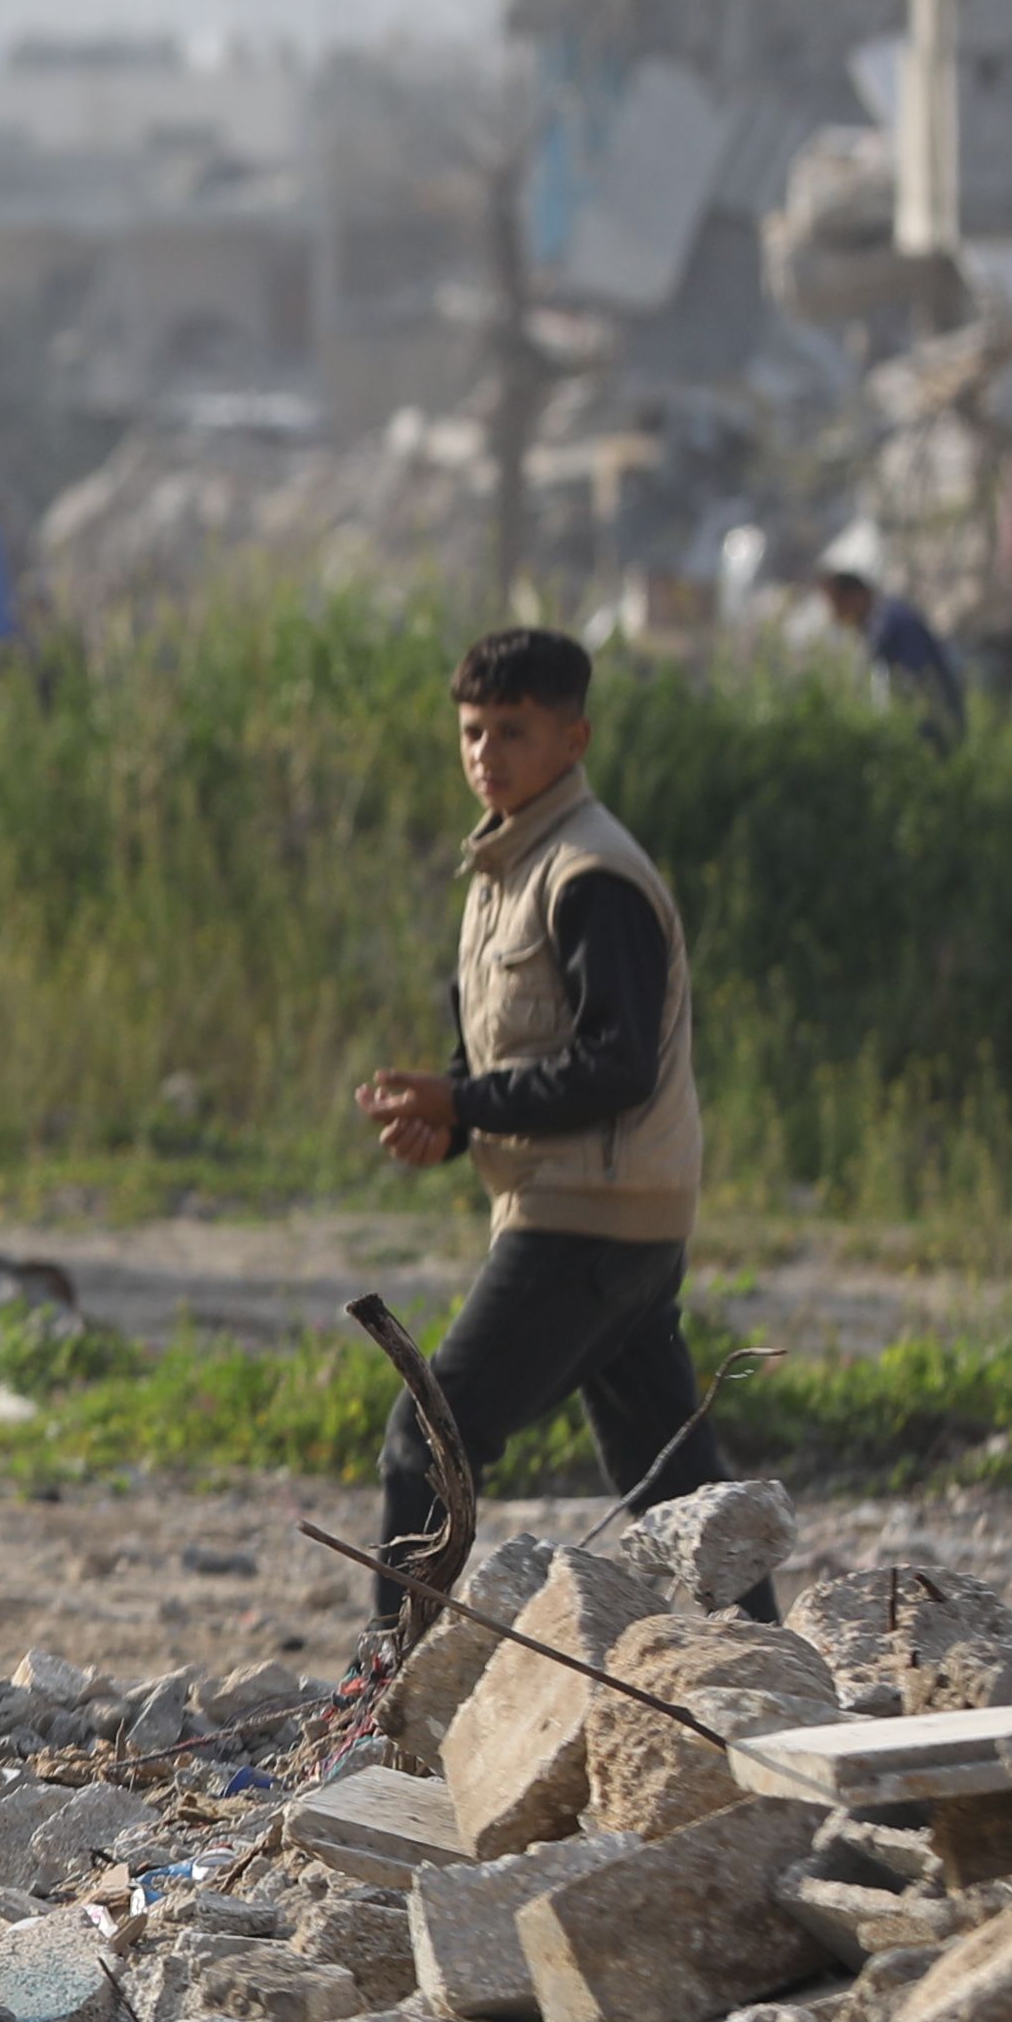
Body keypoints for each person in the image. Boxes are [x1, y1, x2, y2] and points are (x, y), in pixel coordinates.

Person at [350, 625, 721, 1618]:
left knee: (425, 1440)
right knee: (676, 1489)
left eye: (514, 731)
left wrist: (463, 1101)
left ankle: (383, 1695)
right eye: (472, 731)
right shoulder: (510, 866)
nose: (486, 753)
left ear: (575, 738)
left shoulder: (591, 873)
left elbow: (616, 1064)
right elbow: (515, 1053)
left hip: (585, 1217)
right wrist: (454, 1122)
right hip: (610, 1212)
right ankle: (768, 1673)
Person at [813, 560, 967, 743]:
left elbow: (917, 681)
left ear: (856, 596)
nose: (837, 617)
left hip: (932, 723)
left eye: (838, 606)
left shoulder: (889, 622)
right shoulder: (879, 621)